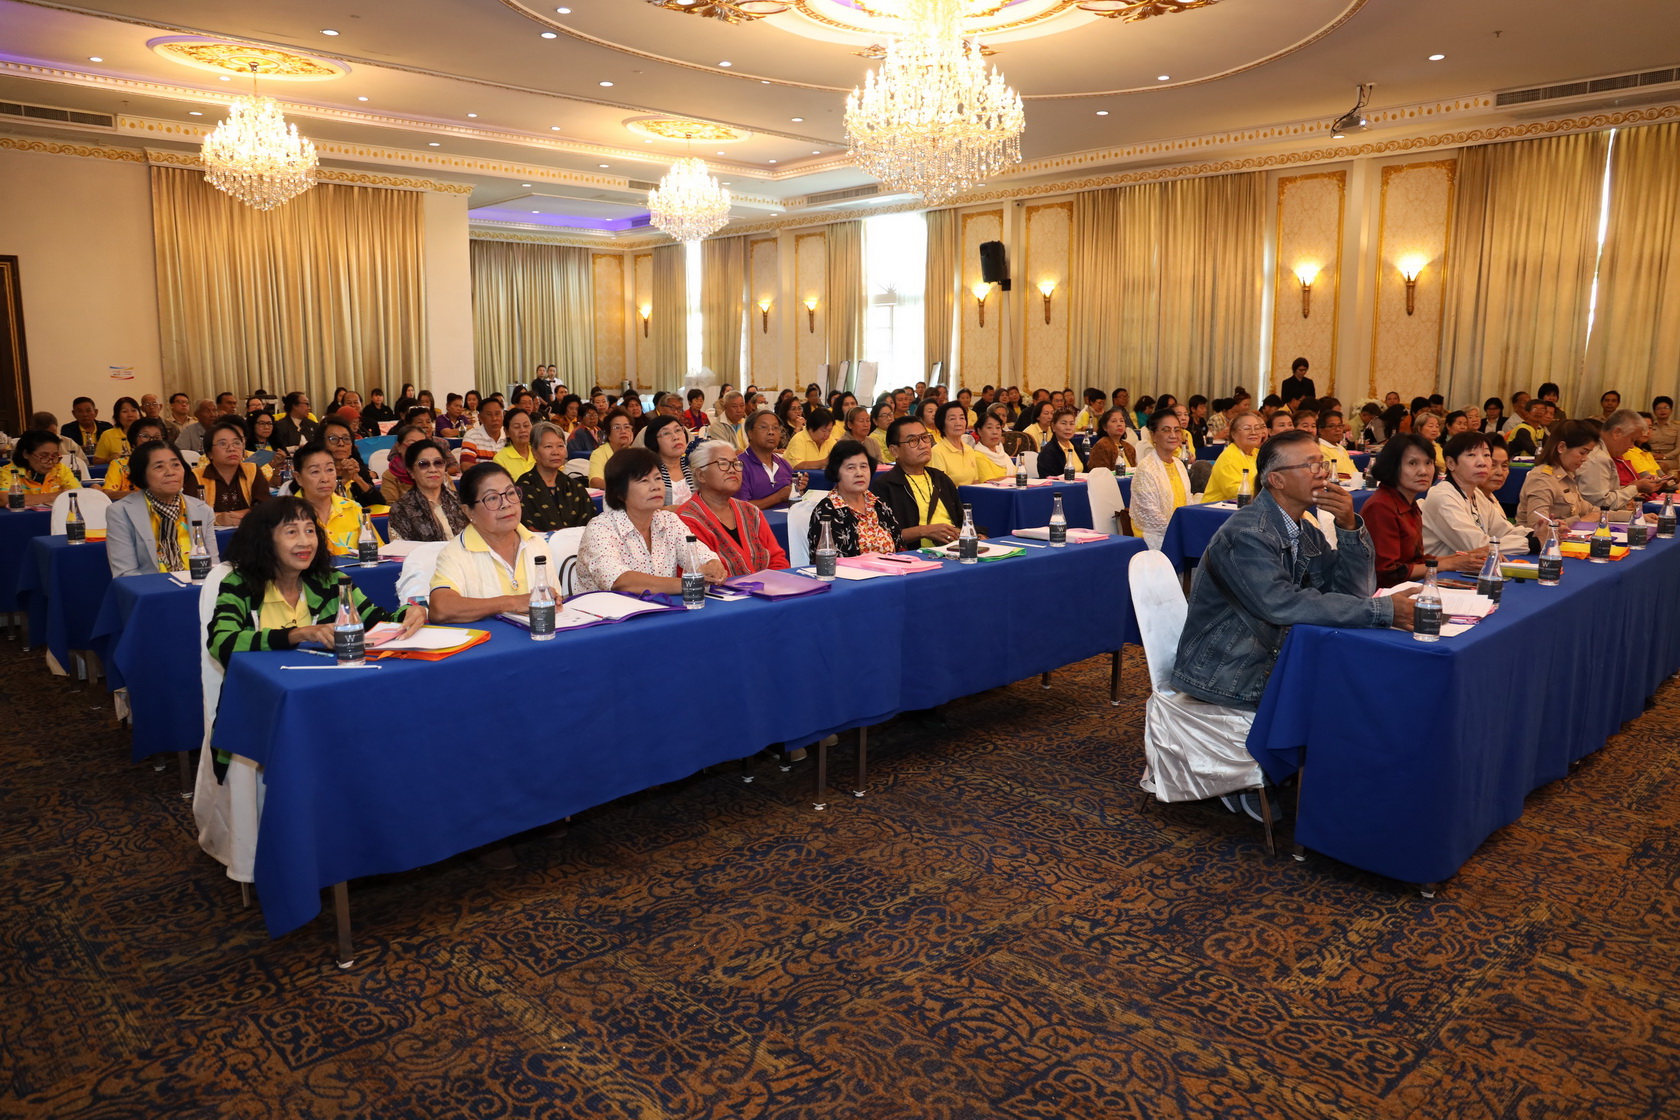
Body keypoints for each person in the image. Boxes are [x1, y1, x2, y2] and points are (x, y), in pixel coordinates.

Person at [1172, 429, 1415, 716]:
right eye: (1311, 465)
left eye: (1322, 463)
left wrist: (1349, 527)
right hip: (1229, 673)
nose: (1322, 473)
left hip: (1277, 657)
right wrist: (1381, 610)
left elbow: (1353, 592)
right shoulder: (1247, 533)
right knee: (1360, 699)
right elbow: (1282, 604)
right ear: (1277, 480)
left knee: (1375, 689)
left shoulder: (1304, 529)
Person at [207, 497, 424, 664]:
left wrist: (410, 613)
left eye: (310, 530)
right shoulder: (240, 584)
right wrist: (297, 634)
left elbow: (377, 620)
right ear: (265, 539)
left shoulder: (332, 581)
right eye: (291, 532)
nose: (305, 541)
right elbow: (221, 643)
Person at [575, 447, 723, 594]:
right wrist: (689, 583)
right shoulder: (600, 528)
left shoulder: (669, 521)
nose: (655, 487)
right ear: (620, 493)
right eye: (644, 480)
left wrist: (713, 566)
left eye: (658, 478)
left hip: (659, 607)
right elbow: (620, 581)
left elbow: (701, 556)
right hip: (607, 609)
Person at [425, 464, 556, 624]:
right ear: (469, 511)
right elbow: (441, 608)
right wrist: (513, 602)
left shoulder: (537, 544)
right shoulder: (455, 554)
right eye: (492, 498)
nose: (506, 503)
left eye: (510, 493)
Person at [1361, 434, 1485, 586]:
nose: (1423, 471)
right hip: (1384, 595)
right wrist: (1450, 564)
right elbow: (1387, 573)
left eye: (1428, 463)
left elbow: (1416, 560)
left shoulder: (1408, 502)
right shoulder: (1381, 507)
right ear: (1392, 466)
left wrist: (1462, 558)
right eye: (1412, 463)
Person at [106, 441, 219, 578]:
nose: (170, 472)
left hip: (197, 586)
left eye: (176, 465)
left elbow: (213, 565)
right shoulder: (121, 512)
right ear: (142, 474)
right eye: (159, 467)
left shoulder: (202, 510)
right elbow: (125, 573)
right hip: (150, 588)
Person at [676, 440, 787, 576]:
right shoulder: (686, 519)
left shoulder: (751, 511)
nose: (732, 469)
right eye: (723, 464)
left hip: (770, 586)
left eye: (736, 463)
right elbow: (704, 574)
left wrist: (774, 583)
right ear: (701, 475)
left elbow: (777, 559)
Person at [1421, 432, 1531, 558]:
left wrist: (1537, 534)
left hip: (1468, 567)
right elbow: (1477, 547)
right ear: (1451, 463)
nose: (1482, 462)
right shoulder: (1442, 497)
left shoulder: (1475, 493)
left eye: (1486, 455)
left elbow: (1503, 531)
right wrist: (1532, 543)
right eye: (1471, 455)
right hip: (1437, 569)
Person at [872, 417, 968, 548]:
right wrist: (924, 531)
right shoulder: (885, 485)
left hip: (954, 549)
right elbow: (883, 536)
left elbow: (962, 520)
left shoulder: (940, 478)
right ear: (894, 451)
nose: (923, 445)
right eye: (913, 440)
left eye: (925, 437)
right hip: (916, 554)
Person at [808, 440, 902, 558]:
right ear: (836, 472)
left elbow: (900, 547)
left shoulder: (879, 504)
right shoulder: (826, 511)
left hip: (893, 568)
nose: (859, 473)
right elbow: (832, 561)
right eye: (851, 468)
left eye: (863, 466)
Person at [292, 442, 379, 556]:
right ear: (298, 478)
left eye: (330, 470)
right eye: (315, 472)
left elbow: (377, 553)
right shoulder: (288, 514)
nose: (325, 479)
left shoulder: (353, 508)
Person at [1578, 409, 1668, 510]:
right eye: (1632, 440)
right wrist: (1635, 488)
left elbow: (1607, 493)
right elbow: (1601, 504)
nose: (1632, 446)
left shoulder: (1603, 453)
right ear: (1617, 433)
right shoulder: (1598, 458)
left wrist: (1631, 487)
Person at [1130, 408, 1194, 550]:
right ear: (1153, 435)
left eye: (1177, 430)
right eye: (1166, 430)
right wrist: (1181, 533)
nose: (1173, 435)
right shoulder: (1146, 468)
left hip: (1180, 533)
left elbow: (1188, 503)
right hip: (1153, 536)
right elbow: (1150, 514)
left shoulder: (1179, 464)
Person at [515, 421, 596, 532]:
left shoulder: (575, 487)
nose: (556, 452)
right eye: (548, 446)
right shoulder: (523, 488)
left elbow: (592, 527)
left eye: (560, 446)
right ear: (534, 452)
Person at [388, 438, 469, 542]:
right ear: (411, 472)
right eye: (423, 464)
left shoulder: (460, 501)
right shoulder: (400, 510)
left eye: (438, 463)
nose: (433, 469)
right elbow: (402, 550)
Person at [195, 416, 271, 526]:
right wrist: (217, 519)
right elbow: (190, 513)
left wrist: (238, 515)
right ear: (210, 453)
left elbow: (266, 506)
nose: (231, 448)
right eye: (222, 444)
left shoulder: (253, 470)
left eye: (237, 443)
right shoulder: (197, 476)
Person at [928, 402, 1004, 486]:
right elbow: (939, 488)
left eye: (962, 418)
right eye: (952, 419)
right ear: (942, 424)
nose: (958, 423)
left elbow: (975, 483)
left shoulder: (969, 449)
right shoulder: (937, 452)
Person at [736, 408, 795, 509]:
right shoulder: (739, 466)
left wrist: (796, 489)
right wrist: (777, 497)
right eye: (764, 427)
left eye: (775, 428)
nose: (771, 432)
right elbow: (741, 508)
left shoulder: (784, 464)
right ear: (750, 433)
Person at [1202, 413, 1266, 502]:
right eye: (1247, 428)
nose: (1253, 432)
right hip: (1217, 508)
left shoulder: (1258, 454)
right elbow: (1237, 493)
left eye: (1257, 428)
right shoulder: (1229, 457)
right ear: (1233, 434)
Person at [102, 416, 171, 496]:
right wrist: (145, 495)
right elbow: (108, 493)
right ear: (134, 441)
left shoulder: (170, 464)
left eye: (157, 437)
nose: (151, 441)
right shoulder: (120, 464)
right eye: (145, 436)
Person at [0, 431, 78, 497]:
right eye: (44, 456)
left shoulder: (60, 469)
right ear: (26, 454)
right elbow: (5, 499)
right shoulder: (9, 471)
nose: (50, 462)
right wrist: (53, 496)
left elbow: (78, 493)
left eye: (54, 456)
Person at [641, 414, 696, 507]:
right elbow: (641, 509)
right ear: (653, 441)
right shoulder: (647, 473)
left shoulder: (694, 466)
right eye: (666, 433)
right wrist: (666, 511)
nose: (675, 437)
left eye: (678, 430)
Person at [588, 408, 637, 490]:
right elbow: (595, 482)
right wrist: (623, 488)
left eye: (627, 427)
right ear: (608, 435)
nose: (623, 431)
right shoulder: (599, 453)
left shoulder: (636, 454)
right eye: (617, 427)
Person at [1035, 408, 1089, 479]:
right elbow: (1048, 478)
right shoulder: (1048, 452)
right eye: (1063, 423)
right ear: (1053, 426)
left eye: (1072, 424)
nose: (1068, 428)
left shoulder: (1077, 448)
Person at [784, 406, 837, 471]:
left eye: (830, 430)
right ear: (811, 428)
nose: (827, 434)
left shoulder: (829, 438)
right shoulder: (798, 439)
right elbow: (797, 466)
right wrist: (824, 462)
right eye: (824, 430)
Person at [460, 399, 508, 468]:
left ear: (503, 415)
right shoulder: (472, 436)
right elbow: (465, 466)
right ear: (480, 418)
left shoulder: (509, 434)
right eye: (489, 414)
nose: (494, 418)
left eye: (497, 414)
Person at [492, 408, 538, 481]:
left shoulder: (539, 451)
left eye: (526, 425)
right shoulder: (500, 460)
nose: (523, 430)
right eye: (517, 427)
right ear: (506, 432)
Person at [92, 398, 141, 464]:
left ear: (139, 414)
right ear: (117, 416)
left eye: (134, 410)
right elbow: (96, 461)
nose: (130, 415)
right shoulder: (108, 435)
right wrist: (109, 459)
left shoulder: (147, 433)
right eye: (125, 411)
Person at [1315, 411, 1359, 480]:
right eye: (1332, 426)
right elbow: (1329, 477)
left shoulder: (1340, 447)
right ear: (1321, 430)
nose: (1338, 429)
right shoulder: (1319, 449)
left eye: (1340, 426)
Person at [970, 410, 1014, 475]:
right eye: (989, 427)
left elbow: (1018, 474)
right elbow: (989, 481)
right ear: (979, 431)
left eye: (998, 427)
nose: (995, 432)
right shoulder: (978, 456)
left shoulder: (1001, 453)